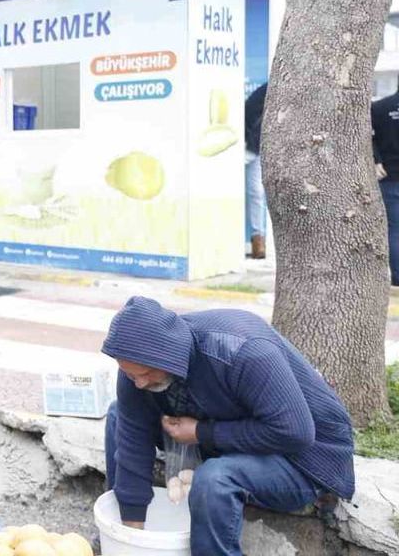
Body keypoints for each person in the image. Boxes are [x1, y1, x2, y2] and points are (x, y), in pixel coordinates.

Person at [102, 296, 355, 556]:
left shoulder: (243, 352)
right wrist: (131, 539)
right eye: (131, 375)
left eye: (144, 374)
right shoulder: (136, 364)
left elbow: (296, 433)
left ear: (168, 357)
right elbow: (133, 440)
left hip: (303, 457)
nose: (139, 383)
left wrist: (202, 432)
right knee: (119, 416)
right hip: (233, 434)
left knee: (215, 479)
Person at [372, 90, 399, 285]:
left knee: (395, 230)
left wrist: (377, 160)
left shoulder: (380, 108)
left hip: (389, 177)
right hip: (389, 178)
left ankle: (398, 277)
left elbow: (369, 139)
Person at [244, 84, 268, 259]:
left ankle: (258, 240)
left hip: (257, 147)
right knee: (255, 193)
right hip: (246, 144)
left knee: (257, 193)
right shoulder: (270, 89)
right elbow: (249, 110)